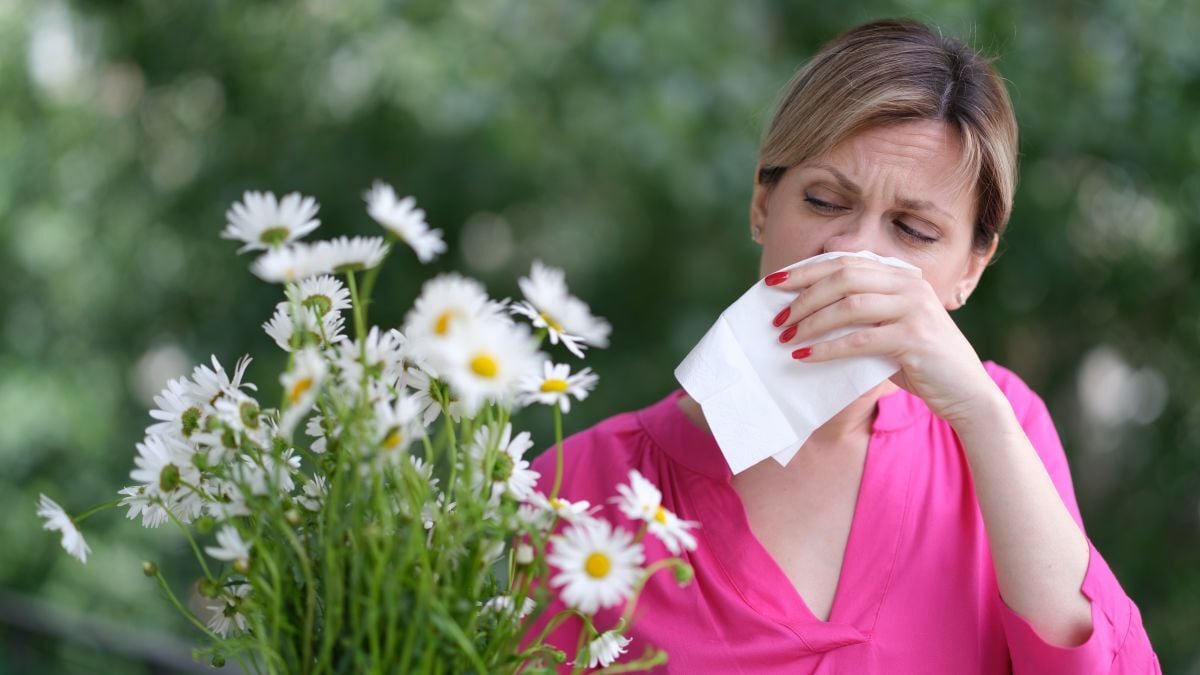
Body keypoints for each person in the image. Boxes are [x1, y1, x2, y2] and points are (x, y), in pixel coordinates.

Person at [528, 18, 1161, 673]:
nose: (855, 251)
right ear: (762, 203)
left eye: (913, 230)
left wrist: (980, 413)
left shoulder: (1002, 430)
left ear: (970, 268)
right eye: (825, 201)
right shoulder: (574, 487)